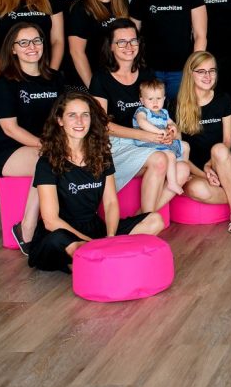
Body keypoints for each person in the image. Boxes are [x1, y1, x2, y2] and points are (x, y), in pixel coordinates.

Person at [27, 92, 165, 273]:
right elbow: (51, 221)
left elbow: (110, 202)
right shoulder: (47, 162)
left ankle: (100, 257)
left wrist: (111, 237)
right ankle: (104, 257)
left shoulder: (101, 155)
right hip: (61, 234)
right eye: (72, 115)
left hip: (94, 227)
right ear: (60, 120)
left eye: (85, 115)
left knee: (155, 220)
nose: (80, 121)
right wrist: (92, 242)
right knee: (72, 244)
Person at [89, 19, 190, 215]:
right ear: (111, 46)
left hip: (149, 142)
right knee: (160, 160)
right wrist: (145, 136)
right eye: (121, 42)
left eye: (133, 40)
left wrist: (170, 130)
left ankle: (141, 218)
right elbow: (102, 125)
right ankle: (146, 220)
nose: (129, 46)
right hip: (117, 144)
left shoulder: (147, 74)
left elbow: (159, 112)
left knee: (183, 169)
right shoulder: (101, 78)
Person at [0, 23, 64, 254]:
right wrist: (48, 146)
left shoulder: (55, 77)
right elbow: (10, 129)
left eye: (36, 40)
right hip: (9, 149)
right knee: (48, 161)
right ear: (13, 49)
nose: (32, 46)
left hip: (48, 145)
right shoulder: (5, 81)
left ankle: (68, 224)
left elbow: (64, 117)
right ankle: (26, 228)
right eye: (23, 42)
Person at [176, 51, 231, 232]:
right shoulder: (176, 105)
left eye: (212, 70)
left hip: (220, 164)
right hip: (193, 169)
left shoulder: (222, 99)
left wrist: (210, 166)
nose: (207, 76)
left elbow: (228, 141)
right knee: (197, 190)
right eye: (201, 71)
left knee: (219, 149)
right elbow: (178, 151)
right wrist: (204, 174)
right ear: (190, 74)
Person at [129, 0, 206, 100]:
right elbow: (131, 36)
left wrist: (193, 69)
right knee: (153, 113)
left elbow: (200, 36)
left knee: (180, 113)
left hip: (182, 71)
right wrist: (134, 67)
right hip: (150, 71)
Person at [67, 0, 130, 89]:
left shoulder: (122, 0)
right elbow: (77, 53)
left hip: (115, 78)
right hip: (89, 80)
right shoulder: (81, 8)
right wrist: (94, 88)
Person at [133, 78, 188, 195]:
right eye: (150, 99)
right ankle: (172, 182)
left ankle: (182, 169)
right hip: (147, 143)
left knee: (185, 146)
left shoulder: (164, 112)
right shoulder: (142, 111)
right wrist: (158, 131)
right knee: (170, 155)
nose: (155, 102)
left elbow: (172, 123)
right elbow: (142, 123)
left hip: (161, 141)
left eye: (158, 98)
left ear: (164, 98)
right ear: (142, 100)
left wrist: (173, 128)